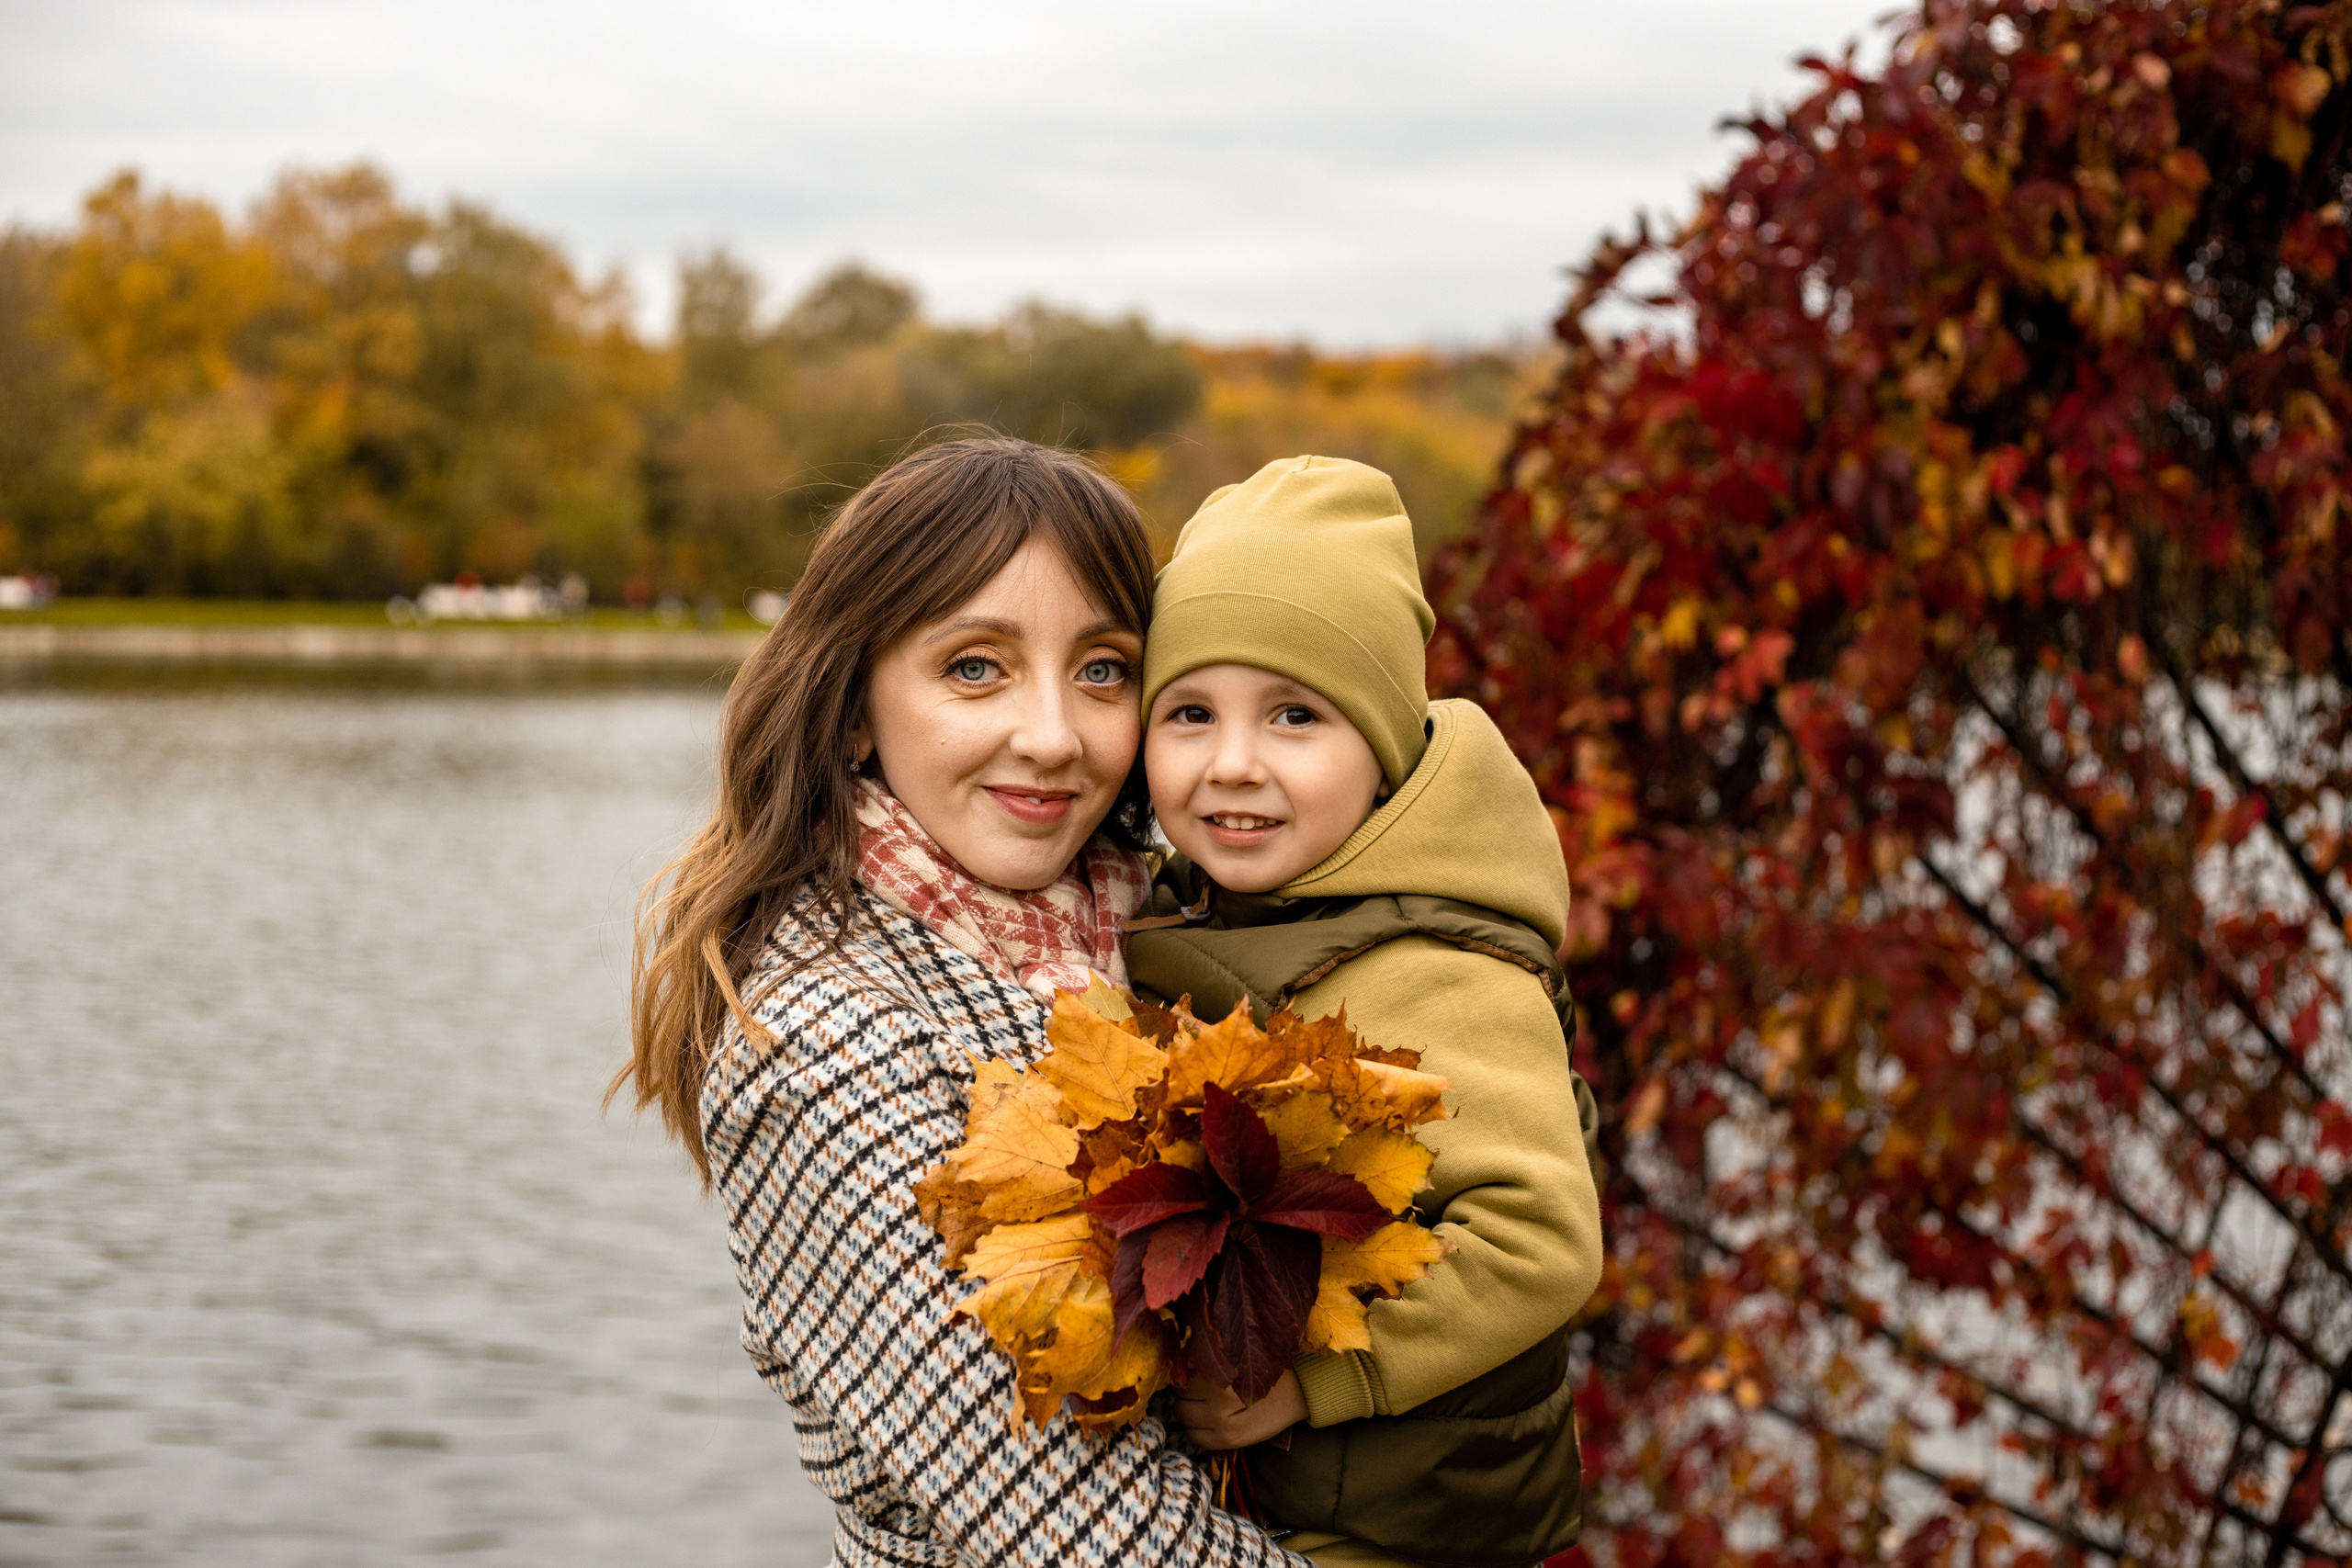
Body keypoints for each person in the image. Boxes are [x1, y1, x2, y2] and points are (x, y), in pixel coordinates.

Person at [620, 437, 1315, 1568]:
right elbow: (1095, 1538)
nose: (1051, 736)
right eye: (976, 667)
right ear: (853, 708)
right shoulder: (821, 1046)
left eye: (1102, 670)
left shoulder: (1157, 928)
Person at [1126, 456, 1605, 1567]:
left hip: (1392, 1534)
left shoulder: (1440, 968)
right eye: (1189, 713)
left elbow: (1539, 1239)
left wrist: (1312, 1378)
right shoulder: (1189, 912)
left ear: (1382, 756)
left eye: (1294, 716)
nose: (1231, 764)